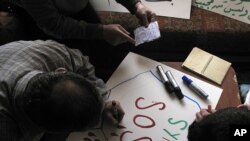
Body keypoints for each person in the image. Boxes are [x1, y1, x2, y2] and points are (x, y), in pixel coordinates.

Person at [0, 40, 125, 141]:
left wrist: (102, 101)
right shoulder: (6, 129)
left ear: (61, 71)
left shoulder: (54, 54)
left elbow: (83, 65)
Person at [9, 0, 156, 46]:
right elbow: (53, 24)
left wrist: (136, 5)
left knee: (104, 47)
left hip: (73, 5)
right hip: (37, 17)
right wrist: (100, 31)